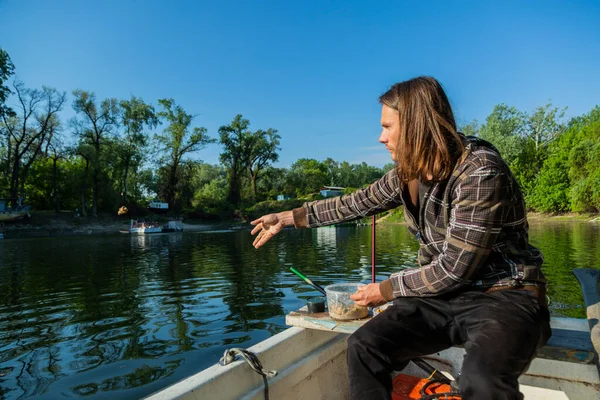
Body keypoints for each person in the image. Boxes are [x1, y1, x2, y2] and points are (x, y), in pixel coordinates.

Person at [250, 76, 551, 400]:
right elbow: (355, 203)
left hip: (504, 295)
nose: (381, 138)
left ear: (418, 125)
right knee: (365, 345)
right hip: (443, 299)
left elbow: (453, 269)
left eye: (387, 127)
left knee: (482, 381)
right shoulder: (408, 173)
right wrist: (285, 217)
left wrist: (386, 289)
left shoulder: (479, 170)